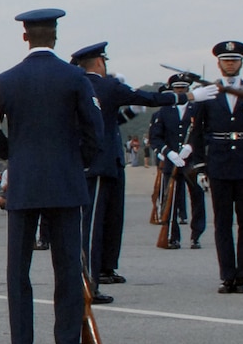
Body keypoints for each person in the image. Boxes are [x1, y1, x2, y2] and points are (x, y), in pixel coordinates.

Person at [0, 8, 103, 344]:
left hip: (24, 183)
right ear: (55, 36)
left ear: (25, 36)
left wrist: (15, 153)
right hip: (65, 180)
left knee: (18, 269)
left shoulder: (7, 80)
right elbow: (95, 131)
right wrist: (78, 162)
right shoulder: (76, 77)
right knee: (67, 267)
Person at [69, 42, 175, 302]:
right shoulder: (104, 85)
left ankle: (99, 271)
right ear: (99, 63)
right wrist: (185, 97)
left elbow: (109, 121)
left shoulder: (80, 86)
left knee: (102, 222)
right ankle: (89, 284)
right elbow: (148, 98)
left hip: (102, 163)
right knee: (93, 227)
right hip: (100, 165)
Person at [185, 41, 243, 294]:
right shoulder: (208, 93)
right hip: (219, 165)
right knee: (222, 223)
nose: (230, 64)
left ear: (241, 63)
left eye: (234, 60)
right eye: (226, 60)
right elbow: (198, 133)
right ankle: (227, 274)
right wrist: (201, 167)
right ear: (219, 63)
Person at [149, 77, 206, 250]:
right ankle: (173, 236)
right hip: (172, 161)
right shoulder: (164, 111)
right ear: (173, 90)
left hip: (192, 161)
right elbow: (155, 137)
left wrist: (191, 146)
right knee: (171, 201)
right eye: (178, 89)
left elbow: (204, 133)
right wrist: (168, 152)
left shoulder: (197, 109)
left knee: (197, 198)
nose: (181, 91)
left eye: (184, 88)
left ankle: (196, 235)